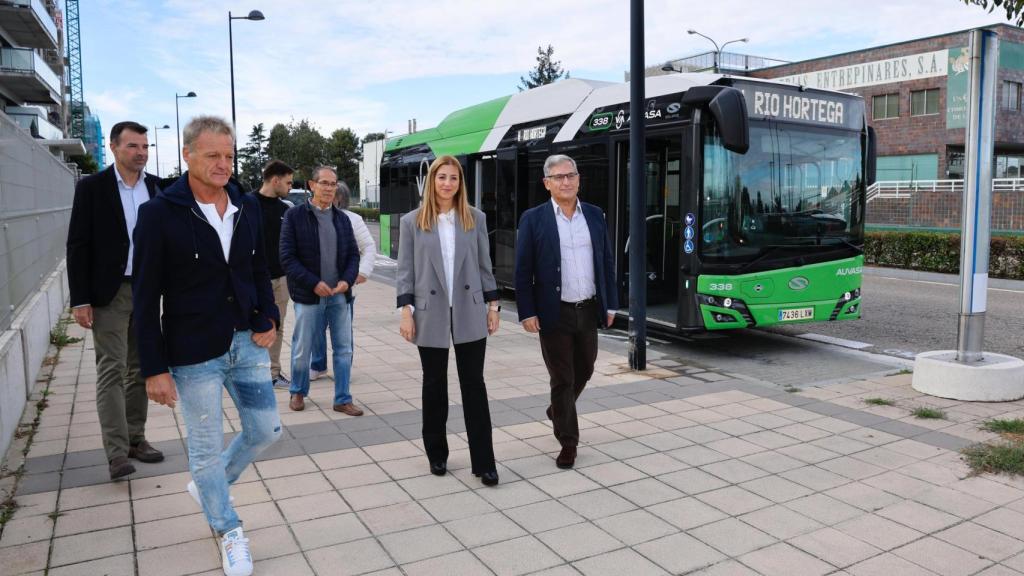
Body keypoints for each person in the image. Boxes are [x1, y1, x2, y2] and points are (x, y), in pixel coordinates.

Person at [133, 116, 281, 576]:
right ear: (188, 155)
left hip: (246, 342)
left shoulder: (245, 204)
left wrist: (268, 317)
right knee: (203, 448)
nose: (223, 164)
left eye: (229, 155)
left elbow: (256, 267)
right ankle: (228, 527)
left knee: (266, 431)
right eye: (213, 155)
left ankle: (209, 484)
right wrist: (153, 369)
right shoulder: (160, 212)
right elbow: (144, 296)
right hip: (192, 350)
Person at [66, 120, 164, 480]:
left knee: (142, 367)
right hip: (110, 291)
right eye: (133, 146)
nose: (141, 153)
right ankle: (116, 453)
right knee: (112, 369)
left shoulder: (155, 188)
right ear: (114, 147)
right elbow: (77, 244)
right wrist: (80, 299)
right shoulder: (92, 188)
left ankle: (137, 438)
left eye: (145, 147)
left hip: (148, 288)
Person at [396, 155, 501, 487]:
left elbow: (486, 266)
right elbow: (405, 273)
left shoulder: (475, 218)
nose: (447, 183)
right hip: (430, 311)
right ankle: (436, 454)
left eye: (454, 178)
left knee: (474, 385)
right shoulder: (412, 221)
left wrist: (493, 307)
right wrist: (406, 312)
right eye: (442, 177)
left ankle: (484, 462)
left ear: (460, 183)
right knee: (434, 385)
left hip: (469, 309)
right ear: (432, 182)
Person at [514, 154, 617, 470]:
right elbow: (523, 269)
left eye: (570, 175)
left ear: (578, 178)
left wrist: (611, 302)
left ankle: (558, 408)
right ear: (547, 184)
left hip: (587, 308)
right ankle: (568, 443)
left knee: (585, 368)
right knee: (562, 377)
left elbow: (607, 262)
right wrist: (527, 311)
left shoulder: (596, 216)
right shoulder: (533, 219)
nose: (566, 181)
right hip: (552, 311)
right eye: (558, 177)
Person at [280, 166, 363, 416]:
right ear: (311, 185)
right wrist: (313, 282)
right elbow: (287, 257)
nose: (329, 188)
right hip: (309, 296)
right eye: (324, 183)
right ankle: (297, 391)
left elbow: (352, 256)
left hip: (340, 295)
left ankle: (343, 398)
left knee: (343, 348)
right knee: (302, 347)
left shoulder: (343, 219)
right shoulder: (294, 217)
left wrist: (347, 281)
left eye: (333, 183)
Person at [309, 181, 375, 379]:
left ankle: (343, 369)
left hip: (343, 286)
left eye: (335, 193)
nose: (330, 195)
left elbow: (369, 247)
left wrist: (361, 272)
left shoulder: (352, 219)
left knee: (343, 332)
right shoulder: (309, 215)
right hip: (314, 285)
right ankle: (318, 365)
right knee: (315, 329)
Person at [254, 160, 296, 388]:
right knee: (251, 326)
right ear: (275, 179)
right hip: (253, 280)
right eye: (288, 182)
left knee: (276, 326)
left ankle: (273, 373)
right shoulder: (247, 204)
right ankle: (251, 373)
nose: (290, 187)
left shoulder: (285, 209)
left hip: (280, 279)